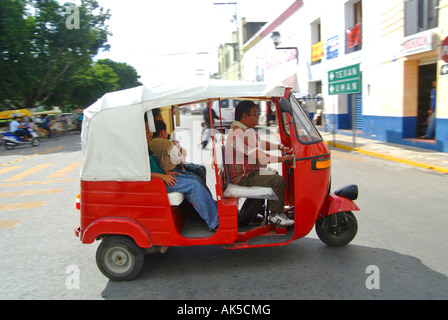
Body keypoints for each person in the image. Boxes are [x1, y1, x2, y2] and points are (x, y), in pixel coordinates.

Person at [225, 100, 294, 227]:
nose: (258, 116)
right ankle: (275, 215)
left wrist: (280, 147)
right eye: (255, 114)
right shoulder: (241, 134)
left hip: (247, 173)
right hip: (244, 176)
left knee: (273, 174)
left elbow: (259, 143)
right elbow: (262, 158)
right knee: (278, 181)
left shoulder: (243, 130)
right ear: (244, 116)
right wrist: (283, 159)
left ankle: (264, 210)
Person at [148, 147, 219, 231]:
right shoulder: (138, 152)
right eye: (146, 132)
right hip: (157, 183)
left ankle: (214, 210)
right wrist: (163, 176)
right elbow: (143, 173)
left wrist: (166, 173)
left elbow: (154, 170)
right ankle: (215, 222)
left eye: (150, 132)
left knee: (195, 178)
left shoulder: (147, 148)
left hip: (162, 177)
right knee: (193, 184)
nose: (149, 133)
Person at [145, 109, 207, 183]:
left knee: (198, 174)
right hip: (171, 169)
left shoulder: (152, 143)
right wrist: (181, 167)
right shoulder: (163, 142)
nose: (162, 119)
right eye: (160, 117)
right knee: (196, 178)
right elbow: (177, 159)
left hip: (166, 171)